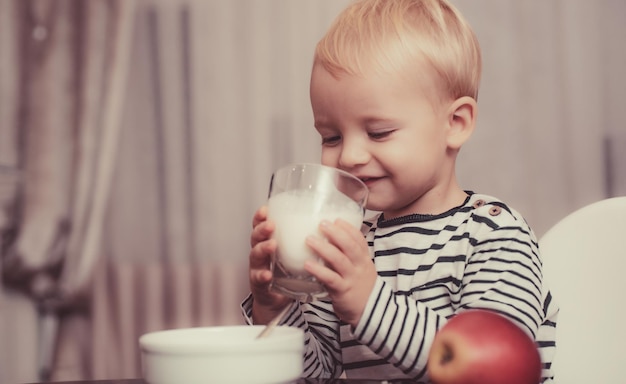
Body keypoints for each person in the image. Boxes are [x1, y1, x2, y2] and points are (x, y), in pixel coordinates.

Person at [242, 0, 558, 382]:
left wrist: (368, 302)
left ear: (455, 123)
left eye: (379, 132)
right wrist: (274, 307)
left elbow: (489, 371)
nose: (350, 155)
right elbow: (316, 374)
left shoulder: (492, 235)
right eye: (331, 136)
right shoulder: (351, 245)